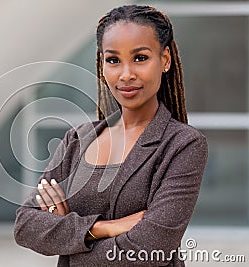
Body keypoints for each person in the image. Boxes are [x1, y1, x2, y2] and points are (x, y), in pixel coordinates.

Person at [14, 5, 208, 266]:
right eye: (113, 60)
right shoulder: (77, 139)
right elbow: (26, 225)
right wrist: (104, 228)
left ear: (164, 60)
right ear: (102, 64)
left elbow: (151, 247)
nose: (126, 74)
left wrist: (68, 239)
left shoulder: (183, 144)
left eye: (140, 58)